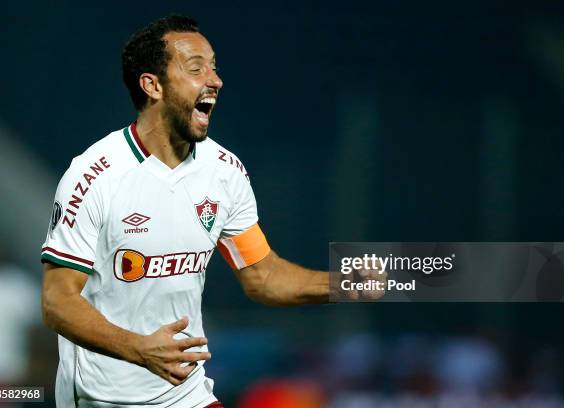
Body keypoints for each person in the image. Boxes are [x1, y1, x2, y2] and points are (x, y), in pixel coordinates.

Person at [41, 14, 383, 408]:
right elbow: (57, 301)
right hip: (102, 399)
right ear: (152, 85)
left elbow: (263, 275)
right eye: (195, 68)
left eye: (214, 67)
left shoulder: (224, 171)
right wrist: (138, 348)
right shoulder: (94, 175)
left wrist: (344, 283)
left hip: (186, 394)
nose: (215, 80)